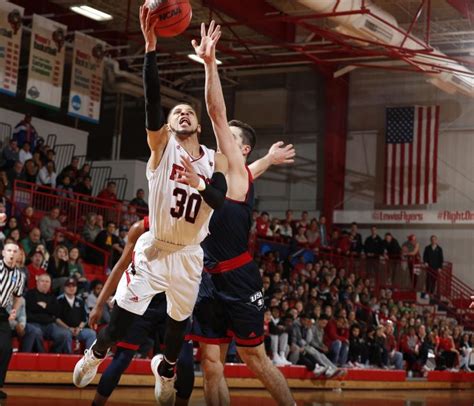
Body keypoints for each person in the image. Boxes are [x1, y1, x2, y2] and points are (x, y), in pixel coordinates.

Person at [73, 9, 228, 406]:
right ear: (170, 125)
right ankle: (96, 353)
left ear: (197, 123)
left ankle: (165, 367)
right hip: (156, 247)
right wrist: (151, 47)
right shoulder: (162, 148)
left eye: (189, 112)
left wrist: (201, 183)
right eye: (178, 113)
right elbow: (153, 99)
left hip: (190, 254)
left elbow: (220, 201)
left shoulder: (213, 160)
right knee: (119, 325)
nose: (183, 113)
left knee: (178, 328)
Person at [188, 21, 295, 406]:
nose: (222, 141)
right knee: (211, 363)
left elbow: (216, 113)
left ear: (241, 150)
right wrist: (270, 158)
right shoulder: (234, 173)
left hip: (238, 276)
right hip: (207, 277)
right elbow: (256, 168)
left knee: (256, 359)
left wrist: (209, 63)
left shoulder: (234, 168)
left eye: (231, 140)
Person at [89, 218, 194, 406]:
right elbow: (120, 266)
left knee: (185, 363)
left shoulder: (190, 228)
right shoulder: (141, 228)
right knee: (121, 359)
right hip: (141, 305)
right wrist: (99, 304)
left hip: (170, 305)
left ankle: (164, 373)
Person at [0, 240, 25, 399]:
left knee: (6, 349)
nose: (11, 253)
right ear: (3, 253)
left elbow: (17, 296)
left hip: (2, 312)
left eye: (14, 251)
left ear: (18, 255)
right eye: (8, 250)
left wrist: (14, 310)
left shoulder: (19, 276)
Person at [23, 273, 69, 353]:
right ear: (37, 282)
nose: (45, 283)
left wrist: (45, 306)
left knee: (64, 334)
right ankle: (42, 354)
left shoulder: (52, 296)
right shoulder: (30, 294)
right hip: (34, 323)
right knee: (36, 332)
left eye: (47, 282)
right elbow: (31, 307)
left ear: (50, 284)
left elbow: (57, 311)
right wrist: (48, 308)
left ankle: (54, 353)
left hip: (50, 325)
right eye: (42, 281)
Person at [56, 278, 96, 353]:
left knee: (91, 333)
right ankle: (68, 357)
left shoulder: (80, 301)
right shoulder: (59, 300)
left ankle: (89, 358)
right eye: (69, 286)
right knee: (66, 334)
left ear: (76, 288)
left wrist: (79, 328)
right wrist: (68, 328)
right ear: (64, 288)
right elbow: (57, 319)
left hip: (78, 330)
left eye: (73, 286)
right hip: (64, 329)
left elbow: (84, 318)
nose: (71, 288)